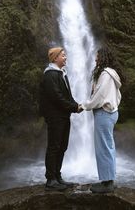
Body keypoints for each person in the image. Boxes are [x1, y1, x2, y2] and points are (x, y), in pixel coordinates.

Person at [39, 47, 82, 191]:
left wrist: (76, 105)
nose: (65, 58)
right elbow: (57, 97)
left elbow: (67, 95)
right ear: (55, 58)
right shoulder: (50, 75)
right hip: (55, 117)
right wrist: (74, 107)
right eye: (63, 55)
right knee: (54, 146)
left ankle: (57, 176)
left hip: (63, 116)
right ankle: (50, 179)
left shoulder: (61, 74)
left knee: (62, 146)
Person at [82, 46, 123, 193]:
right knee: (108, 146)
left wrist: (84, 106)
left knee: (103, 148)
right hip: (110, 113)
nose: (95, 59)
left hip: (104, 113)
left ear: (103, 57)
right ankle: (109, 179)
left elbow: (98, 96)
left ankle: (107, 183)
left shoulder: (105, 75)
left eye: (97, 56)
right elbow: (118, 95)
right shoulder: (112, 74)